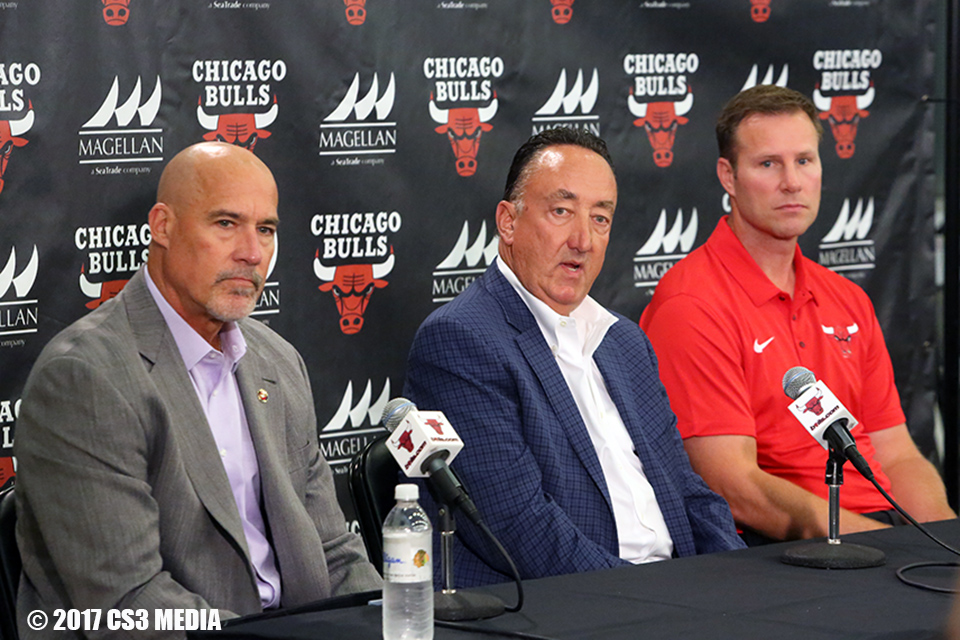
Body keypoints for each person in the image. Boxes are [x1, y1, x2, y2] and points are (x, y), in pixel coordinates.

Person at [14, 142, 381, 635]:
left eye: (266, 230)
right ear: (162, 226)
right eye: (226, 224)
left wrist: (394, 621)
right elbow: (127, 601)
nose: (252, 253)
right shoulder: (84, 377)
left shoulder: (278, 361)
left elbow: (333, 552)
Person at [403, 128, 745, 588]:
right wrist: (663, 598)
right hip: (569, 607)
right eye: (561, 211)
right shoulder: (461, 339)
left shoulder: (625, 342)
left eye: (600, 218)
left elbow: (687, 491)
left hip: (675, 594)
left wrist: (741, 584)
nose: (583, 239)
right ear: (508, 221)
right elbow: (519, 530)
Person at [640, 85, 956, 544]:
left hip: (878, 536)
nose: (792, 181)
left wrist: (945, 543)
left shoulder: (846, 297)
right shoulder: (692, 304)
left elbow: (897, 454)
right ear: (728, 177)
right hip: (781, 551)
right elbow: (733, 486)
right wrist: (883, 547)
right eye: (768, 164)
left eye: (804, 161)